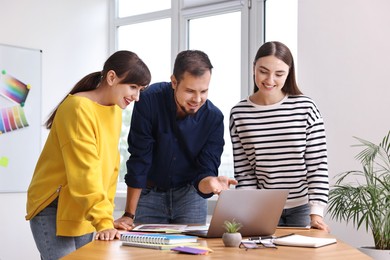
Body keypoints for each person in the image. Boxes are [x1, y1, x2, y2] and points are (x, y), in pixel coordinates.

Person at [25, 50, 151, 259]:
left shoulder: (114, 111)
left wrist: (106, 217)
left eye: (141, 90)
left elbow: (110, 167)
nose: (137, 97)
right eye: (133, 87)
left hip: (82, 206)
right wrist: (102, 220)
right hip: (54, 205)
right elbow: (84, 171)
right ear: (111, 77)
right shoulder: (77, 108)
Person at [114, 50, 237, 230]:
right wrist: (128, 215)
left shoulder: (214, 118)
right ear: (174, 82)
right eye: (190, 91)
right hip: (149, 195)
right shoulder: (148, 99)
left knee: (192, 254)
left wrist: (210, 182)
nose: (197, 99)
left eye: (204, 91)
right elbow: (140, 158)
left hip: (190, 196)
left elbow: (204, 171)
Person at [229, 41, 330, 232]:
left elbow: (317, 165)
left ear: (289, 73)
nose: (270, 79)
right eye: (263, 71)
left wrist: (316, 213)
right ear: (253, 69)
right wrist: (248, 211)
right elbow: (245, 172)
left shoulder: (305, 108)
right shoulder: (239, 113)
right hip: (263, 208)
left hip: (301, 208)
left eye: (279, 73)